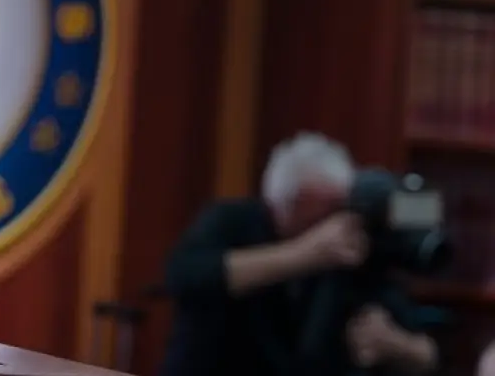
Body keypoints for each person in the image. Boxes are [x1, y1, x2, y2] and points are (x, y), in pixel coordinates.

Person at [159, 132, 438, 376]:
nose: (336, 223)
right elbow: (185, 277)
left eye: (340, 207)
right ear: (284, 205)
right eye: (324, 210)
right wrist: (304, 254)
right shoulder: (231, 221)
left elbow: (428, 356)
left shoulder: (351, 251)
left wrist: (394, 344)